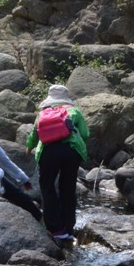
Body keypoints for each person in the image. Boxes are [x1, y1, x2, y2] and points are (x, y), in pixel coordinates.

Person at [26, 85, 89, 241]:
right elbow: (86, 134)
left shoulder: (43, 113)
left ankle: (55, 229)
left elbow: (35, 133)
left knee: (47, 188)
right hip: (71, 151)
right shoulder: (75, 111)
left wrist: (29, 147)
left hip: (48, 152)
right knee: (68, 188)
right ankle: (68, 228)